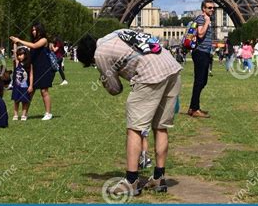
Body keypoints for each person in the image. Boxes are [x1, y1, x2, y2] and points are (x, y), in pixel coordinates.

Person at [77, 29, 182, 197]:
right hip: (171, 67)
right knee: (161, 127)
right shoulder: (116, 33)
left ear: (89, 57)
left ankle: (131, 181)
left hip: (150, 73)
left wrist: (104, 80)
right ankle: (159, 177)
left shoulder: (99, 54)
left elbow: (115, 88)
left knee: (134, 128)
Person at [10, 22, 55, 120]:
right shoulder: (34, 41)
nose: (33, 31)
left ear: (40, 30)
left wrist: (19, 40)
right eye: (32, 30)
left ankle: (48, 113)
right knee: (30, 91)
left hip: (44, 68)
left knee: (44, 91)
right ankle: (24, 114)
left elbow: (34, 46)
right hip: (34, 69)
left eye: (35, 29)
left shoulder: (44, 40)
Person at [188, 1, 215, 118]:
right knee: (199, 81)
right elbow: (200, 34)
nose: (212, 9)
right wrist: (207, 22)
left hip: (205, 53)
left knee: (203, 81)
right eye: (209, 8)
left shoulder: (207, 19)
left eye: (213, 8)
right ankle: (194, 109)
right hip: (200, 53)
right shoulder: (202, 18)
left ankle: (193, 107)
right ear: (203, 8)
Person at [11, 46, 33, 121]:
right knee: (16, 101)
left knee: (25, 101)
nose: (19, 56)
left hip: (25, 86)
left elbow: (31, 75)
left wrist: (30, 86)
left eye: (21, 55)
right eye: (18, 55)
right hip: (17, 85)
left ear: (25, 54)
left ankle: (23, 115)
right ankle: (15, 115)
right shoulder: (17, 63)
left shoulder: (29, 64)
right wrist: (15, 43)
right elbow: (15, 52)